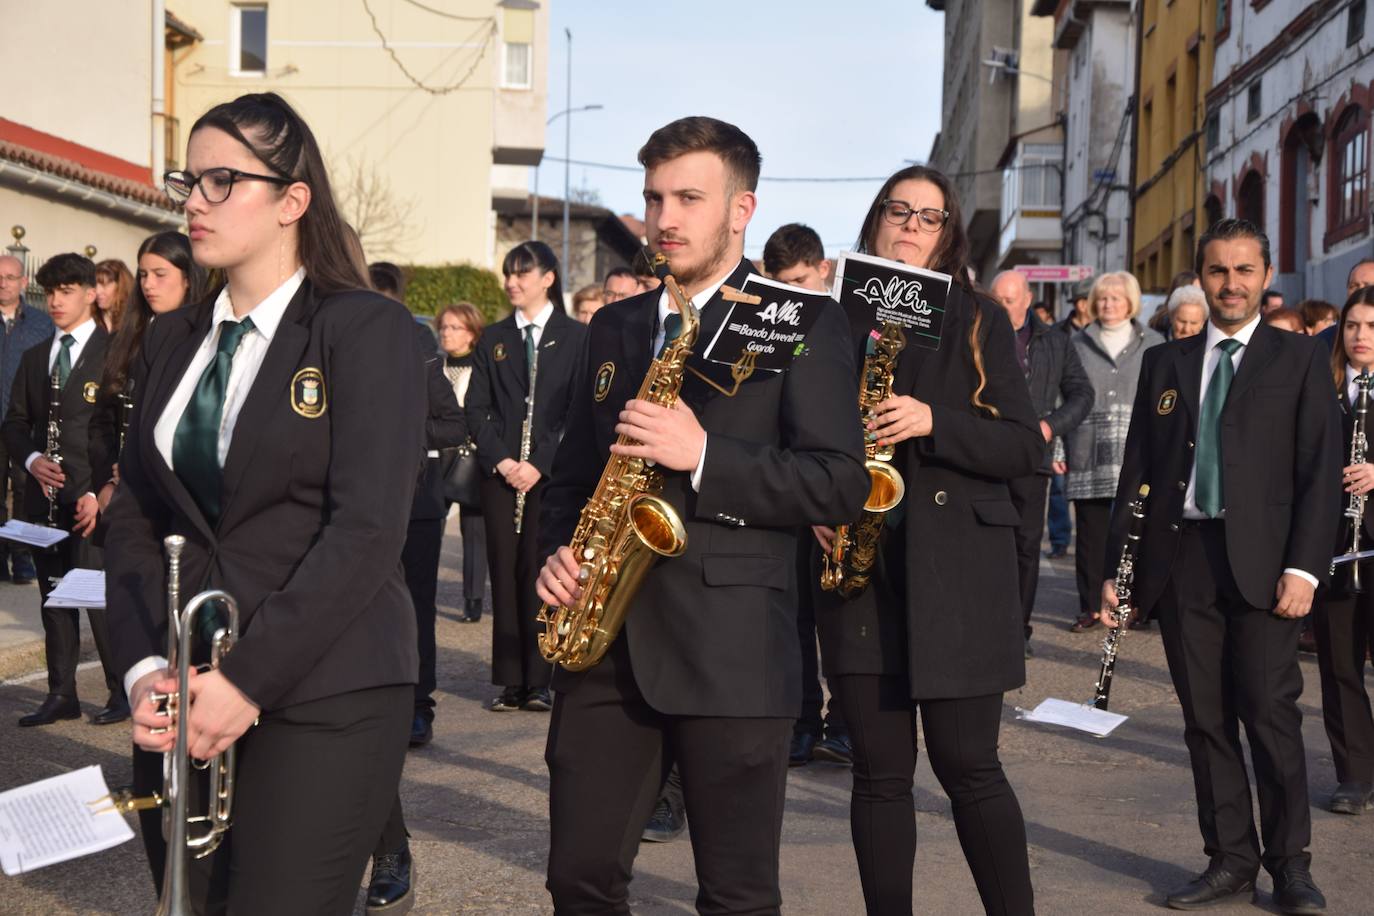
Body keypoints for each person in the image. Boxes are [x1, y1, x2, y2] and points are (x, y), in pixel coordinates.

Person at [535, 115, 868, 914]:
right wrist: (554, 555)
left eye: (689, 197)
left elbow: (838, 483)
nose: (664, 218)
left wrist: (705, 455)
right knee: (578, 879)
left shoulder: (806, 322)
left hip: (735, 652)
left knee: (737, 895)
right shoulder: (613, 325)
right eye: (654, 197)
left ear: (741, 210)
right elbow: (572, 474)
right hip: (606, 643)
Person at [105, 91, 425, 913]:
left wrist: (245, 681)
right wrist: (144, 668)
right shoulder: (174, 336)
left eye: (221, 181)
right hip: (184, 689)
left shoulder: (366, 329)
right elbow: (138, 514)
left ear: (292, 201)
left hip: (327, 687)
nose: (191, 203)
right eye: (188, 180)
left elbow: (365, 532)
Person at [810, 165, 1040, 916]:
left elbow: (1022, 449)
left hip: (960, 577)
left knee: (969, 766)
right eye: (899, 211)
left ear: (948, 236)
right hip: (858, 572)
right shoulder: (827, 319)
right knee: (878, 774)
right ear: (876, 220)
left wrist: (935, 422)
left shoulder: (979, 317)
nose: (911, 225)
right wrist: (807, 502)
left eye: (929, 217)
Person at [1097, 217, 1340, 914]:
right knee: (1205, 721)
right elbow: (1137, 472)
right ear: (1198, 279)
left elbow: (1320, 475)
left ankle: (1291, 866)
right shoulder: (1165, 364)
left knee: (1270, 715)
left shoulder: (1297, 360)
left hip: (1267, 568)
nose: (1230, 284)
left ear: (1266, 279)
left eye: (1243, 271)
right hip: (1184, 563)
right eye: (1217, 271)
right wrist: (1120, 567)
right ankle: (1230, 860)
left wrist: (1304, 569)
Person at [365, 260, 467, 914]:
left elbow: (451, 426)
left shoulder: (421, 352)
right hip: (372, 510)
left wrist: (401, 433)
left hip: (419, 507)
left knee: (417, 613)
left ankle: (420, 702)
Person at [3, 253, 122, 726]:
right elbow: (13, 423)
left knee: (95, 596)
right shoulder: (35, 357)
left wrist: (102, 488)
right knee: (54, 596)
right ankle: (61, 693)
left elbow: (120, 430)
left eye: (67, 290)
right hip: (45, 498)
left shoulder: (115, 352)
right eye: (50, 292)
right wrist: (31, 461)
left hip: (93, 497)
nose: (55, 300)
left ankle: (120, 690)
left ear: (91, 294)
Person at [466, 240, 585, 713]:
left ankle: (540, 678)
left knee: (542, 571)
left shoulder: (576, 337)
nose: (512, 282)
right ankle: (510, 679)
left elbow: (578, 410)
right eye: (508, 274)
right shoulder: (494, 337)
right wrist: (503, 461)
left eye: (523, 273)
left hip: (550, 480)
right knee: (504, 572)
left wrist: (539, 463)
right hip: (501, 479)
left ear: (548, 278)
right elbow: (475, 408)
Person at [762, 220, 850, 766]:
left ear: (824, 269)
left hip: (840, 488)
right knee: (794, 619)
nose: (792, 295)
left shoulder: (850, 317)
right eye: (782, 285)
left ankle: (842, 723)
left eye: (800, 282)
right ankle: (800, 721)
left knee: (841, 619)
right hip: (788, 486)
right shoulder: (770, 321)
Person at [990, 269, 1093, 657]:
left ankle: (1017, 631)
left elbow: (1082, 394)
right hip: (982, 454)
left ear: (1028, 299)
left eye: (1009, 300)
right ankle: (983, 627)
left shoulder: (1055, 341)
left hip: (1032, 458)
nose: (1001, 307)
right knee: (981, 544)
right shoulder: (976, 333)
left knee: (1025, 546)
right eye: (996, 299)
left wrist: (1050, 426)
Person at [1065, 271, 1163, 632]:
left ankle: (1132, 603)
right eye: (1102, 298)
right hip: (1086, 445)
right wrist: (1059, 446)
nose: (1108, 305)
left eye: (1116, 298)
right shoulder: (1077, 342)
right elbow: (1064, 395)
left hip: (1135, 448)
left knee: (1134, 530)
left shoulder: (1153, 341)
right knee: (1090, 533)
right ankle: (1090, 606)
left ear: (1130, 302)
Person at [91, 231, 209, 518]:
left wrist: (142, 467)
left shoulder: (206, 342)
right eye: (143, 275)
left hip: (173, 498)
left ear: (188, 278)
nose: (148, 285)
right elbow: (102, 421)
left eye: (160, 274)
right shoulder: (124, 339)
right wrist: (106, 482)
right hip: (120, 496)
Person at [1311, 286, 1374, 817]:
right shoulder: (1323, 385)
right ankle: (1354, 775)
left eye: (1372, 328)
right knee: (1339, 665)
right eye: (1353, 326)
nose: (1360, 337)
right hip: (1335, 545)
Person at [0, 254, 54, 586]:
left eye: (9, 276)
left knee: (23, 492)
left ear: (23, 282)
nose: (2, 282)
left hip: (23, 424)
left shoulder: (41, 323)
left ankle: (21, 557)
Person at [435, 301, 488, 623]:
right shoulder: (434, 365)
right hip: (436, 457)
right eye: (443, 326)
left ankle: (473, 599)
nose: (446, 333)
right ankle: (423, 589)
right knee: (429, 526)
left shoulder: (482, 368)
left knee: (474, 529)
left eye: (455, 327)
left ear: (472, 333)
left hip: (471, 456)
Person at [94, 259, 134, 333]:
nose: (97, 291)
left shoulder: (136, 320)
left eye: (104, 285)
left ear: (121, 286)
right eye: (94, 285)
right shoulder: (91, 320)